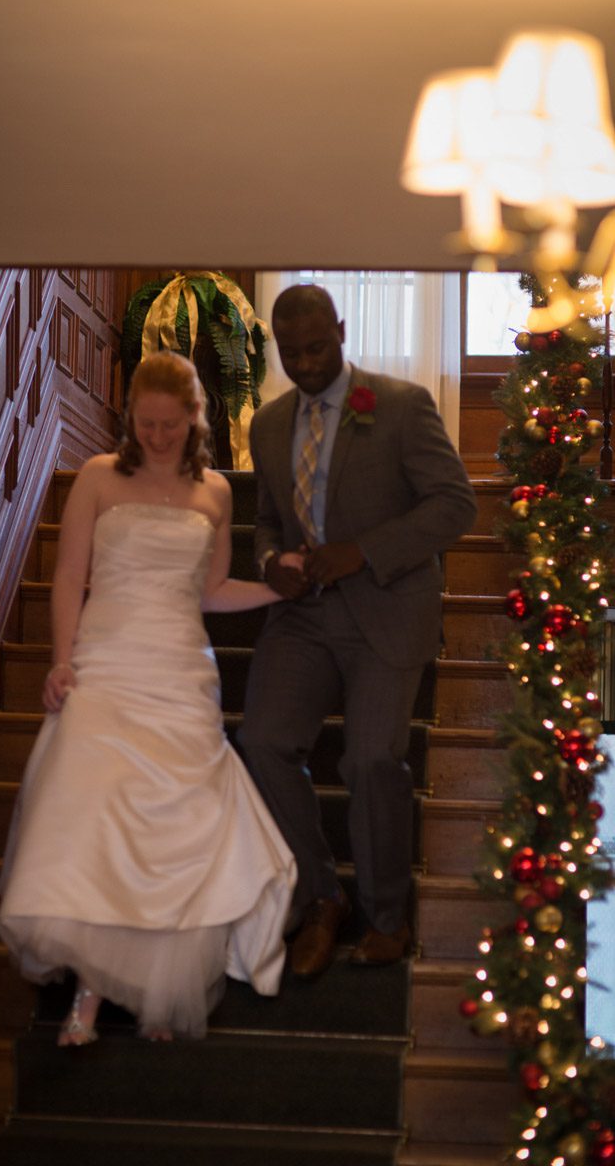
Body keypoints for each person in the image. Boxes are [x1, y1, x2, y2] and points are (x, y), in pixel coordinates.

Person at [0, 350, 297, 1045]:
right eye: (146, 423)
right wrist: (61, 660)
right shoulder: (99, 477)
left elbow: (210, 592)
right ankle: (88, 995)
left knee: (172, 835)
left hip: (179, 672)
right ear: (130, 416)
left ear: (195, 418)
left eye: (170, 424)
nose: (157, 437)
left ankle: (160, 990)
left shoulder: (215, 492)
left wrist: (277, 590)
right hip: (105, 665)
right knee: (96, 819)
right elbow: (69, 576)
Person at [239, 284, 477, 977]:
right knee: (262, 743)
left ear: (341, 332)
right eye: (291, 353)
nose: (306, 363)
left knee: (371, 760)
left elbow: (454, 504)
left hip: (385, 605)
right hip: (302, 616)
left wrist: (363, 552)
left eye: (317, 347)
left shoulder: (399, 405)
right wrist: (268, 563)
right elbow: (267, 523)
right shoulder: (268, 424)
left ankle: (385, 917)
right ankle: (321, 897)